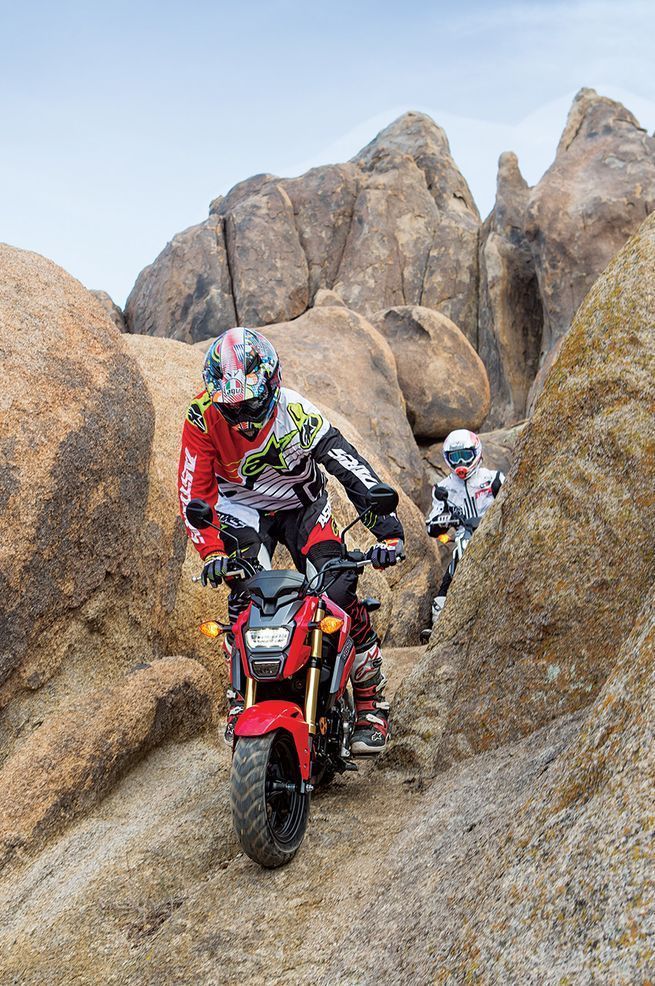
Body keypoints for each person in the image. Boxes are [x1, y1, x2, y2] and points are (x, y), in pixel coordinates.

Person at [178, 327, 404, 754]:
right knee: (246, 597)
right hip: (241, 510)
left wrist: (388, 532)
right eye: (232, 408)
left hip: (303, 503)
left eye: (251, 403)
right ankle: (240, 701)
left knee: (338, 590)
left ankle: (372, 704)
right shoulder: (200, 416)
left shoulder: (296, 412)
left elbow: (346, 464)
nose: (243, 418)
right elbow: (194, 493)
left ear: (272, 384)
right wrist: (211, 552)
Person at [425, 429, 504, 622]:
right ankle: (440, 624)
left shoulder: (494, 479)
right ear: (447, 459)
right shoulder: (443, 488)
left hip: (496, 536)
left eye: (465, 456)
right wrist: (447, 520)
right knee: (448, 582)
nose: (461, 463)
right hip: (463, 542)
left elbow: (514, 502)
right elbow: (431, 525)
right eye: (455, 457)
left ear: (476, 453)